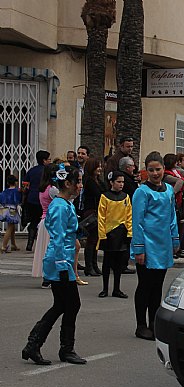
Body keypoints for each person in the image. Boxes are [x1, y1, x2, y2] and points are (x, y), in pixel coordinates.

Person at [21, 164, 86, 365]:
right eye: (78, 182)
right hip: (60, 261)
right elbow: (57, 238)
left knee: (64, 305)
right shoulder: (59, 206)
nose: (81, 186)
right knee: (70, 304)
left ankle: (37, 345)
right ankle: (59, 348)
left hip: (62, 260)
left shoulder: (65, 205)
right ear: (68, 183)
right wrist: (62, 266)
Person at [132, 151, 180, 340]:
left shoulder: (168, 190)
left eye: (158, 169)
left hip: (163, 243)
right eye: (151, 170)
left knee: (158, 285)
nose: (155, 173)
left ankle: (154, 321)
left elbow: (171, 216)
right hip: (146, 243)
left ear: (163, 169)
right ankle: (141, 325)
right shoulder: (141, 192)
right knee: (144, 284)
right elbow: (137, 221)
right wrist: (139, 248)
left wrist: (175, 238)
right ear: (146, 171)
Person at [97, 171, 132, 299]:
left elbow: (129, 215)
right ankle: (105, 288)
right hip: (109, 233)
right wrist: (102, 235)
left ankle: (117, 289)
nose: (121, 184)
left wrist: (129, 232)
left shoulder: (126, 197)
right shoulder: (105, 197)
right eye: (118, 182)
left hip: (121, 232)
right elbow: (101, 217)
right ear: (112, 182)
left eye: (123, 182)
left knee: (119, 264)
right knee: (107, 262)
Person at [82, 157, 107, 277]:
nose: (100, 169)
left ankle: (94, 264)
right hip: (91, 212)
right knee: (91, 241)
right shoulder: (89, 181)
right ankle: (89, 266)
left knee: (96, 240)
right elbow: (99, 194)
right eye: (98, 166)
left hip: (98, 211)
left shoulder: (97, 180)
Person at [22, 150, 51, 251]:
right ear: (44, 160)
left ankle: (30, 243)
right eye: (48, 159)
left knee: (34, 221)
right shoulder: (47, 171)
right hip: (43, 199)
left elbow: (25, 185)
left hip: (32, 199)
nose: (50, 161)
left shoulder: (32, 170)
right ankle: (41, 242)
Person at [1, 175, 21, 252]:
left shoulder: (5, 191)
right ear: (15, 182)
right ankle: (4, 246)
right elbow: (17, 201)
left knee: (12, 227)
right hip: (12, 210)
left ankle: (13, 244)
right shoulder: (16, 191)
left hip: (5, 209)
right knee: (10, 228)